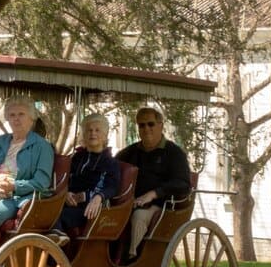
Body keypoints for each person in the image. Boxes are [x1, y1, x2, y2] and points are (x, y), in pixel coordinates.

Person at [0, 97, 56, 267]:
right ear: (7, 118)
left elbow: (42, 182)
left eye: (21, 114)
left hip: (17, 198)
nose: (16, 119)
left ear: (32, 118)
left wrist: (14, 186)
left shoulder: (42, 146)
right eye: (12, 115)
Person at [116, 107, 192, 258]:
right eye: (141, 125)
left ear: (160, 125)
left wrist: (154, 194)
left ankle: (131, 258)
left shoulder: (174, 153)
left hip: (161, 206)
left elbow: (183, 184)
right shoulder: (128, 153)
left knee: (139, 217)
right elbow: (112, 170)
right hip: (129, 203)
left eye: (150, 124)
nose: (146, 129)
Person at [56, 114, 122, 238]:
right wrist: (66, 193)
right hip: (69, 203)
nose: (93, 133)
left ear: (105, 135)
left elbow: (112, 188)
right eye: (89, 130)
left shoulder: (110, 162)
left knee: (57, 216)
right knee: (45, 211)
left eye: (97, 130)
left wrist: (98, 197)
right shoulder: (77, 157)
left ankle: (56, 246)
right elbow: (66, 180)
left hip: (91, 208)